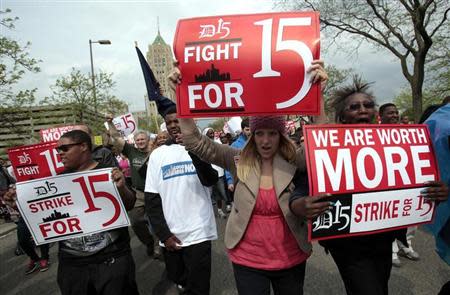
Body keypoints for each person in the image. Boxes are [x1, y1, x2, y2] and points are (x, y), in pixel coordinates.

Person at [175, 60, 328, 295]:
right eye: (259, 133)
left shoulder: (293, 160)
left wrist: (319, 95)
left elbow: (322, 144)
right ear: (252, 134)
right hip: (247, 259)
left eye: (272, 134)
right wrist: (181, 94)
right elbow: (195, 142)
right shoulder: (236, 159)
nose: (265, 141)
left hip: (290, 256)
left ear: (281, 135)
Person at [291, 76, 448, 295]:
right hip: (348, 245)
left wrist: (435, 193)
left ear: (376, 113)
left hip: (383, 238)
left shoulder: (399, 145)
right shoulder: (327, 147)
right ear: (343, 117)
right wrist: (299, 205)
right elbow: (300, 190)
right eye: (354, 107)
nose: (362, 110)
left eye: (368, 105)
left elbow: (419, 185)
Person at [4, 130, 138, 294]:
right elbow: (42, 216)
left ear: (83, 146)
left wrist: (122, 187)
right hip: (72, 266)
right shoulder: (55, 181)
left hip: (112, 260)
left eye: (65, 148)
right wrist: (17, 205)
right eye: (57, 150)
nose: (60, 153)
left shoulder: (108, 173)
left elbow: (130, 203)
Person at [144, 105, 219, 295]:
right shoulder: (157, 155)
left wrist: (193, 150)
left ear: (188, 121)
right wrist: (164, 234)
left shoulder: (202, 146)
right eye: (169, 122)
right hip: (172, 236)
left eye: (177, 120)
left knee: (199, 288)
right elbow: (152, 199)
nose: (173, 125)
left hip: (199, 232)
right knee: (178, 284)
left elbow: (210, 180)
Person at [107, 121, 159, 258]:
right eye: (137, 140)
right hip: (139, 193)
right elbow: (116, 137)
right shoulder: (131, 151)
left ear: (148, 140)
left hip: (157, 193)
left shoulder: (157, 152)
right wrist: (109, 122)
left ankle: (159, 246)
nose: (140, 141)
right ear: (134, 142)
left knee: (159, 221)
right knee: (135, 221)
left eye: (142, 139)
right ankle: (149, 242)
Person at [379, 103, 420, 267]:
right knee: (390, 218)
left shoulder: (408, 133)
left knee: (411, 216)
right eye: (390, 113)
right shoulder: (373, 134)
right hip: (387, 184)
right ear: (381, 117)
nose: (395, 115)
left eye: (396, 112)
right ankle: (392, 250)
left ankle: (406, 245)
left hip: (408, 181)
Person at [203, 127, 228, 218]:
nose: (212, 135)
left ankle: (220, 210)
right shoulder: (202, 145)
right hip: (207, 174)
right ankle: (208, 213)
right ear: (205, 135)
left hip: (219, 173)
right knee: (207, 195)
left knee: (221, 193)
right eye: (209, 133)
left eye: (212, 133)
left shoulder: (218, 143)